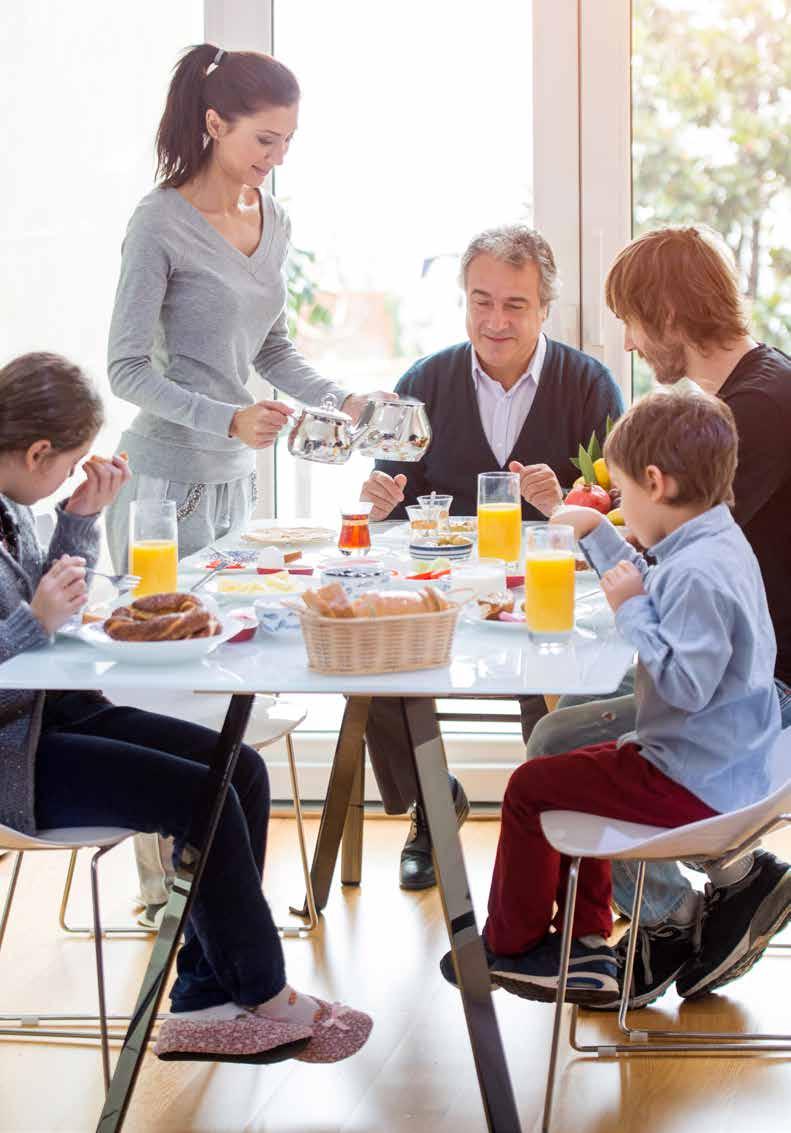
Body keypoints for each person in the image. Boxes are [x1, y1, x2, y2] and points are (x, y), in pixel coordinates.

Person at [0, 352, 372, 1063]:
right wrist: (33, 623)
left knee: (242, 768)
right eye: (67, 467)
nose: (67, 478)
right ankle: (262, 991)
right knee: (200, 792)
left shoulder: (11, 500)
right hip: (13, 753)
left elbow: (46, 596)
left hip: (55, 718)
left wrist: (81, 517)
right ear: (38, 450)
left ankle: (207, 998)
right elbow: (27, 628)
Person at [104, 44, 389, 921]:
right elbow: (124, 370)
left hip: (235, 488)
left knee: (229, 676)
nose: (276, 158)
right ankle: (166, 898)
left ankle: (217, 884)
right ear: (214, 123)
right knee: (165, 690)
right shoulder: (159, 223)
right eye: (264, 139)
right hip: (162, 486)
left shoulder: (273, 215)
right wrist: (224, 417)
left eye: (288, 141)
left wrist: (338, 394)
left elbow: (266, 349)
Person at [521, 225, 791, 1005]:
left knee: (556, 743)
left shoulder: (753, 413)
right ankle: (724, 881)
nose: (631, 345)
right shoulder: (751, 388)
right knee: (577, 711)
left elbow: (674, 550)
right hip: (734, 667)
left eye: (634, 323)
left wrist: (605, 542)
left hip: (756, 689)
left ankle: (681, 910)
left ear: (670, 314)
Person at [441, 391, 780, 1004]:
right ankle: (588, 934)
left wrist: (631, 614)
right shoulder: (713, 541)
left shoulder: (695, 575)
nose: (621, 505)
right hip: (725, 756)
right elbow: (650, 580)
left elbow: (684, 685)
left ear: (656, 482)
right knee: (577, 772)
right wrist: (598, 532)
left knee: (531, 786)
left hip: (696, 777)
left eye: (622, 495)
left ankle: (512, 945)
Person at [358, 224, 624, 891]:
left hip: (547, 588)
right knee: (368, 656)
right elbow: (393, 500)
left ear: (543, 308)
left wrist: (561, 497)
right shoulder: (422, 381)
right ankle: (430, 803)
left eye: (514, 305)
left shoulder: (588, 384)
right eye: (481, 301)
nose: (495, 320)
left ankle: (557, 825)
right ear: (464, 300)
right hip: (442, 586)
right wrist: (381, 501)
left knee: (558, 667)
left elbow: (620, 509)